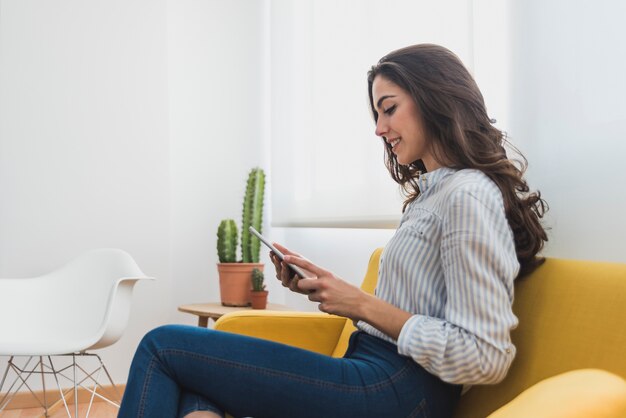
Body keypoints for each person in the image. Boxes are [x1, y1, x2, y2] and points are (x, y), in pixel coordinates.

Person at [118, 44, 548, 418]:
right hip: (371, 370)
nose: (380, 129)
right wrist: (331, 287)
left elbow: (484, 357)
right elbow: (416, 305)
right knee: (201, 368)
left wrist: (360, 304)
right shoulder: (433, 194)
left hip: (399, 391)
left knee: (162, 347)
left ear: (434, 97)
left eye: (389, 108)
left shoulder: (468, 195)